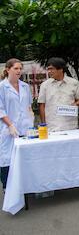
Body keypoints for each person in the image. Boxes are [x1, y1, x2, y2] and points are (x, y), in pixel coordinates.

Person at [0, 59, 34, 191]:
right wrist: (10, 125)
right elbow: (0, 109)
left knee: (24, 156)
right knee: (7, 157)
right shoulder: (2, 87)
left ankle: (23, 185)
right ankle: (7, 186)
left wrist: (31, 120)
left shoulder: (25, 86)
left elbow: (29, 106)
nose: (19, 71)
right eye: (16, 68)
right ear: (8, 69)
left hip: (25, 127)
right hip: (7, 128)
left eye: (20, 68)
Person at [38, 57, 79, 132]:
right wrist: (43, 124)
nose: (49, 71)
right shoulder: (45, 85)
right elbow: (42, 105)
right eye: (48, 69)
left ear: (61, 69)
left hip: (70, 125)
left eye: (52, 69)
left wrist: (74, 105)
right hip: (52, 127)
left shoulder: (74, 83)